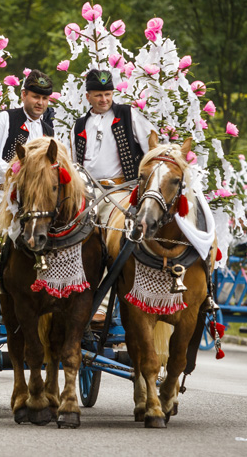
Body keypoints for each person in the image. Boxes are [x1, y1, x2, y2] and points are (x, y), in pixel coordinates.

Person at [71, 69, 156, 324]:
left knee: (111, 238)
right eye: (99, 95)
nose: (104, 99)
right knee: (69, 234)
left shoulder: (128, 115)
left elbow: (152, 149)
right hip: (87, 191)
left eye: (108, 94)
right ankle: (67, 298)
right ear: (88, 96)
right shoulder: (79, 124)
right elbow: (75, 162)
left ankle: (104, 305)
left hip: (121, 190)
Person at [0, 70, 55, 214]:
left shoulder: (48, 131)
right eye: (36, 97)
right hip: (0, 194)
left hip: (31, 199)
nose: (40, 102)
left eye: (45, 98)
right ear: (24, 95)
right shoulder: (5, 118)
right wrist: (14, 173)